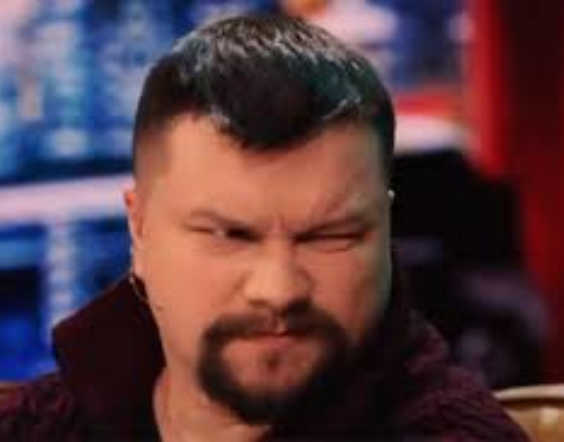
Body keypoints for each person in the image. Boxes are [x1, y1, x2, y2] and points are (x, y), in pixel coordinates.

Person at [0, 13, 528, 441]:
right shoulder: (33, 425)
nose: (278, 289)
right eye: (228, 235)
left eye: (331, 236)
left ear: (385, 227)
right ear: (139, 231)